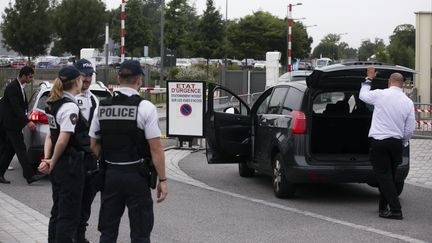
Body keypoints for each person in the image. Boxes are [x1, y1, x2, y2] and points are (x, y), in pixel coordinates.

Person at [89, 60, 167, 243]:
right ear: (139, 80)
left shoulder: (102, 106)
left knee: (107, 232)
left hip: (110, 175)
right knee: (140, 232)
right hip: (137, 176)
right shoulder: (146, 107)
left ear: (118, 78)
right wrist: (163, 180)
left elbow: (93, 145)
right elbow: (156, 148)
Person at [359, 66, 416, 220]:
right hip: (396, 143)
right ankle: (383, 208)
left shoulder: (381, 95)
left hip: (380, 142)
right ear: (402, 84)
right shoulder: (408, 102)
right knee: (389, 176)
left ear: (389, 82)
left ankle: (396, 210)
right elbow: (411, 127)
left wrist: (369, 79)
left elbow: (363, 95)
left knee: (384, 177)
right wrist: (402, 141)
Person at [38, 66, 87, 243]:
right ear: (76, 82)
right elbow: (63, 139)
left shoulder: (53, 103)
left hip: (59, 166)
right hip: (70, 166)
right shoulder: (70, 107)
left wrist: (48, 158)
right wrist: (52, 159)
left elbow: (51, 135)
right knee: (68, 215)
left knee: (57, 211)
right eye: (82, 78)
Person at [0, 66, 45, 184]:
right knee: (21, 150)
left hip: (14, 125)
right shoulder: (12, 88)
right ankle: (29, 176)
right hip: (11, 125)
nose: (31, 78)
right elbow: (16, 108)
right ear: (23, 75)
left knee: (10, 150)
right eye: (30, 76)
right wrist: (27, 121)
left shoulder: (19, 87)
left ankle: (0, 174)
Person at [73, 58, 99, 243]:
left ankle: (80, 235)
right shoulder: (69, 98)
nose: (88, 78)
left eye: (90, 75)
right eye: (85, 74)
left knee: (87, 200)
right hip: (73, 158)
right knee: (72, 200)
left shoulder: (93, 99)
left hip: (90, 159)